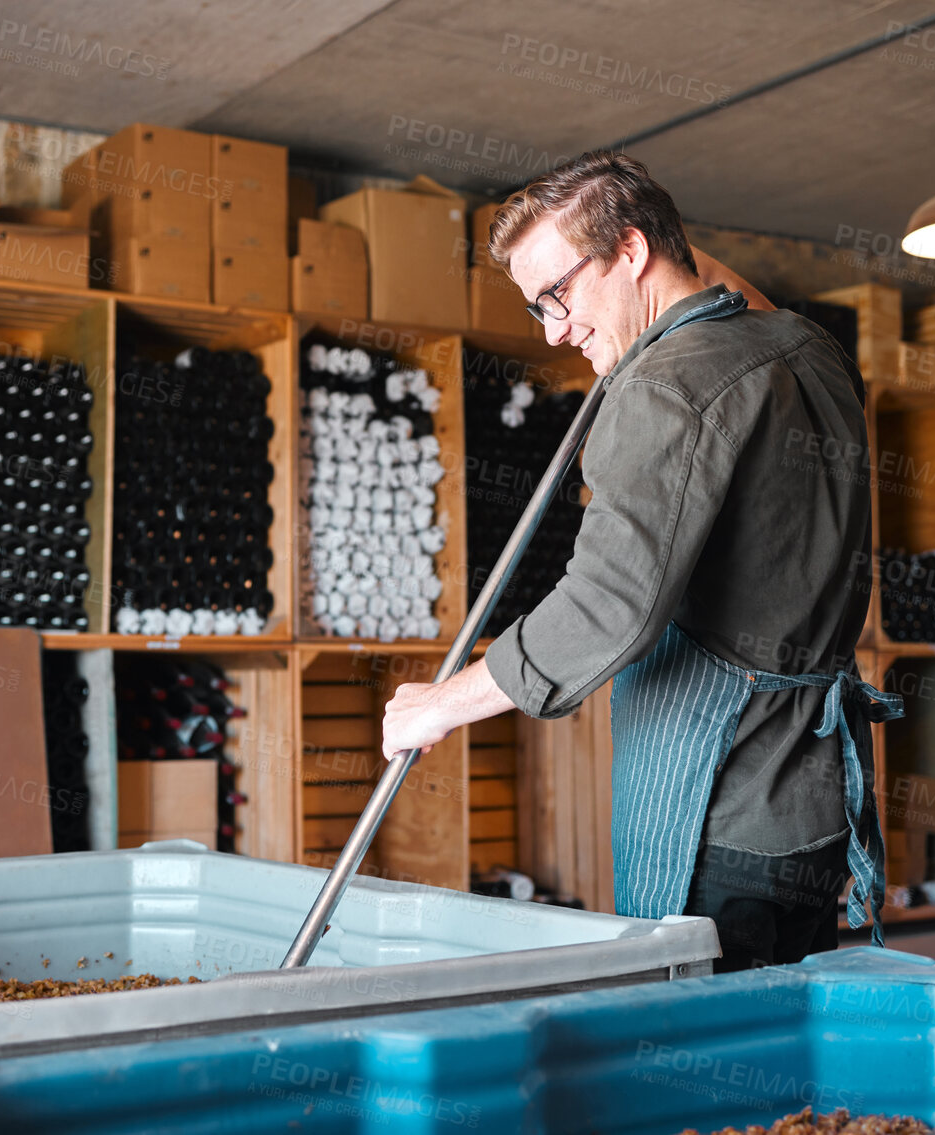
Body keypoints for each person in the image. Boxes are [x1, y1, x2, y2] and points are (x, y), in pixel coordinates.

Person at [381, 152, 902, 970]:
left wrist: (440, 702)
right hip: (810, 804)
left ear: (629, 251)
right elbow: (727, 302)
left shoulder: (660, 388)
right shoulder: (809, 349)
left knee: (701, 1057)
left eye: (557, 294)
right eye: (535, 307)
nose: (553, 329)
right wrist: (664, 263)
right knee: (789, 1043)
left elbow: (604, 607)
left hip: (716, 806)